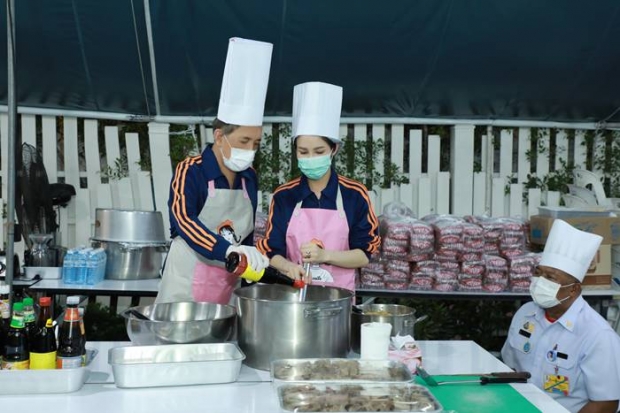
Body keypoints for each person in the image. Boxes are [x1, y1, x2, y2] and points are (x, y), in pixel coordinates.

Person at [156, 38, 272, 305]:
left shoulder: (249, 177)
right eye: (244, 141)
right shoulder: (191, 170)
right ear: (220, 136)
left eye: (256, 143)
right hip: (185, 283)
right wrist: (226, 248)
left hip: (227, 285)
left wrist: (253, 256)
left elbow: (246, 234)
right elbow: (184, 221)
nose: (251, 150)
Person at [256, 82, 380, 291]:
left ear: (334, 149)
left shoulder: (354, 195)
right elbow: (270, 250)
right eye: (303, 152)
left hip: (338, 301)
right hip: (293, 297)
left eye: (319, 151)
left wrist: (326, 256)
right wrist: (287, 266)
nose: (310, 158)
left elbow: (364, 254)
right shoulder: (284, 196)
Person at [501, 219, 620, 413]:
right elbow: (510, 369)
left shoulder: (598, 336)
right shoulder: (526, 314)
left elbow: (605, 404)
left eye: (550, 278)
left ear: (573, 290)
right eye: (538, 273)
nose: (540, 281)